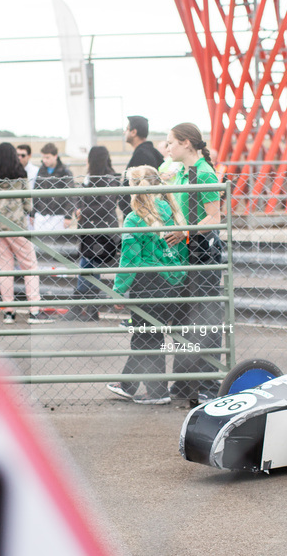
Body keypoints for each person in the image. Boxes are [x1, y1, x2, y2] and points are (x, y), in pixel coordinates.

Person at [107, 166, 187, 404]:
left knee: (146, 336)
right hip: (173, 282)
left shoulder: (134, 218)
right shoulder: (171, 211)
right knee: (148, 335)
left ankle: (157, 392)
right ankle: (128, 385)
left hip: (147, 283)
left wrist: (119, 290)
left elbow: (130, 259)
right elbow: (180, 250)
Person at [164, 122, 223, 404]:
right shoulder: (181, 173)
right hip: (185, 254)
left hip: (202, 254)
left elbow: (214, 217)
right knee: (183, 319)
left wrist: (185, 230)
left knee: (206, 320)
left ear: (187, 143)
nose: (168, 148)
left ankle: (209, 386)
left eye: (171, 142)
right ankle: (184, 384)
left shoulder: (204, 173)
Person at [0, 143, 50, 324]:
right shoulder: (20, 175)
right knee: (30, 265)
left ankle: (9, 312)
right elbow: (28, 205)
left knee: (5, 268)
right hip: (15, 226)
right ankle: (34, 311)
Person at [65, 146, 120, 321]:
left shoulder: (111, 179)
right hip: (89, 232)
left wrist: (84, 211)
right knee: (89, 267)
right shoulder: (88, 178)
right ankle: (91, 310)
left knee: (88, 265)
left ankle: (78, 307)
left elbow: (106, 206)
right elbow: (79, 199)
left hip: (104, 234)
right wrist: (78, 210)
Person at [117, 115, 163, 217]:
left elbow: (142, 190)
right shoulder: (151, 151)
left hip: (140, 218)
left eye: (127, 129)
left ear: (134, 132)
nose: (125, 132)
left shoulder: (142, 155)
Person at [32, 143, 74, 232]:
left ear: (55, 156)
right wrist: (33, 213)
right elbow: (35, 192)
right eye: (43, 157)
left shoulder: (65, 172)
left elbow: (71, 195)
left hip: (58, 215)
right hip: (41, 214)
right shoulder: (41, 171)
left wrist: (68, 216)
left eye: (47, 157)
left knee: (58, 244)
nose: (44, 160)